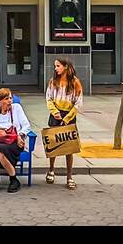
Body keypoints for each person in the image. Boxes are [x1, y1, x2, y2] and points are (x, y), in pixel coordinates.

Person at [45, 58, 83, 190]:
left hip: (69, 115)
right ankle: (51, 170)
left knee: (69, 148)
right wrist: (54, 112)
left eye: (58, 66)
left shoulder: (75, 83)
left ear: (66, 66)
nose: (55, 68)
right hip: (56, 115)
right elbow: (48, 98)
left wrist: (67, 118)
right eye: (55, 66)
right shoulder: (53, 82)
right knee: (53, 145)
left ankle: (69, 176)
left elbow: (78, 103)